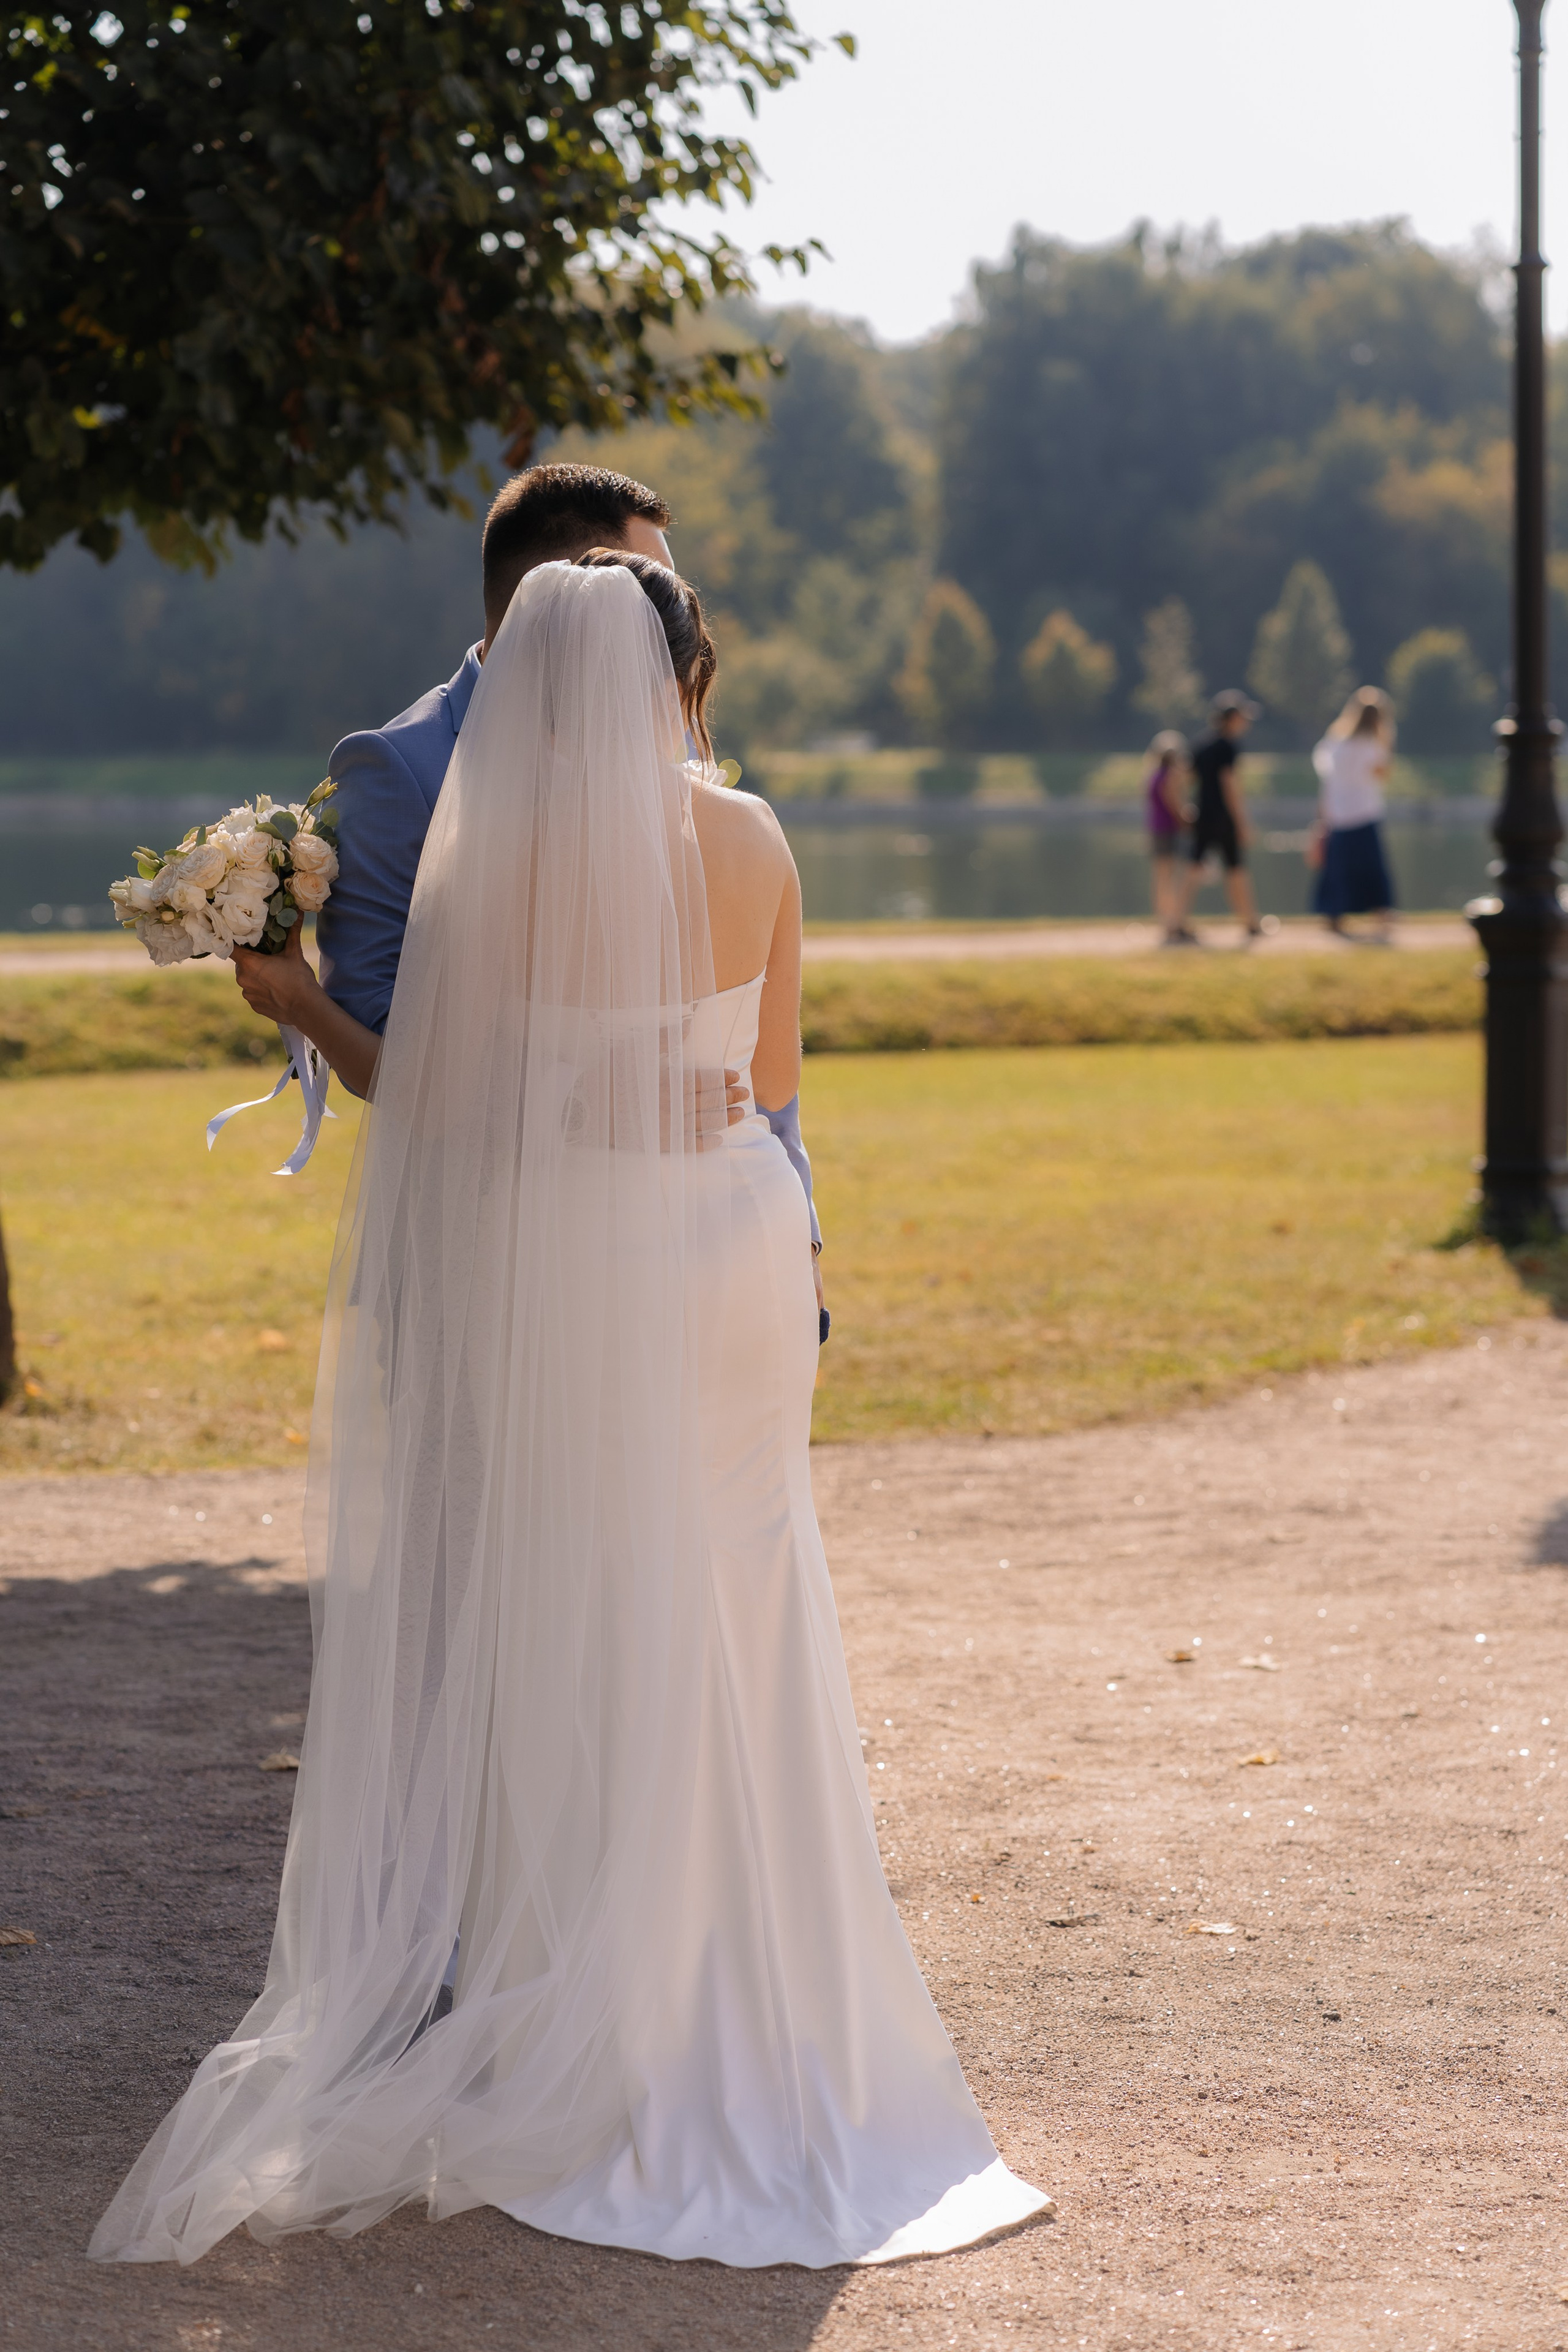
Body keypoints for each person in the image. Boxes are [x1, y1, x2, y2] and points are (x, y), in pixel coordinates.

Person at [91, 559, 1050, 2269]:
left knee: (590, 1602)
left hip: (590, 1236)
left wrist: (301, 999)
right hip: (734, 1236)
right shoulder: (754, 834)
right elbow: (773, 1083)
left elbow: (449, 1098)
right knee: (744, 1592)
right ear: (680, 679)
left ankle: (597, 1996)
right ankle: (759, 1994)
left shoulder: (493, 854)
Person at [227, 462, 821, 1308]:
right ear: (568, 593)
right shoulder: (400, 768)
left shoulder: (516, 839)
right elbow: (397, 1051)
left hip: (661, 1255)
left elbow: (767, 1101)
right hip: (504, 1271)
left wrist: (803, 1232)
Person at [1174, 689, 1267, 943]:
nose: (1246, 723)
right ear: (1232, 719)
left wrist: (1184, 807)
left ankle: (1177, 922)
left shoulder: (1202, 744)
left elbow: (1182, 777)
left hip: (1203, 815)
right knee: (1236, 869)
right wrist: (1242, 822)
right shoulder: (1228, 746)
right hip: (1223, 819)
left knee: (1194, 868)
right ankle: (1250, 923)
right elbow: (1230, 786)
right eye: (1243, 717)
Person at [1310, 687, 1397, 942]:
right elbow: (1383, 775)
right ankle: (1382, 912)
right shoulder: (1373, 746)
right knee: (1372, 867)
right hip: (1364, 812)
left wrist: (1321, 817)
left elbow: (1326, 783)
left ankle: (1334, 915)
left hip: (1338, 815)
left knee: (1338, 869)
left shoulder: (1334, 744)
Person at [1142, 728, 1193, 940]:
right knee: (1169, 878)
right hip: (1168, 831)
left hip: (1156, 830)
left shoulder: (1153, 775)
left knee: (1162, 878)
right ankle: (1172, 922)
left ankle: (1167, 921)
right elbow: (1175, 805)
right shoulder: (1169, 776)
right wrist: (1189, 822)